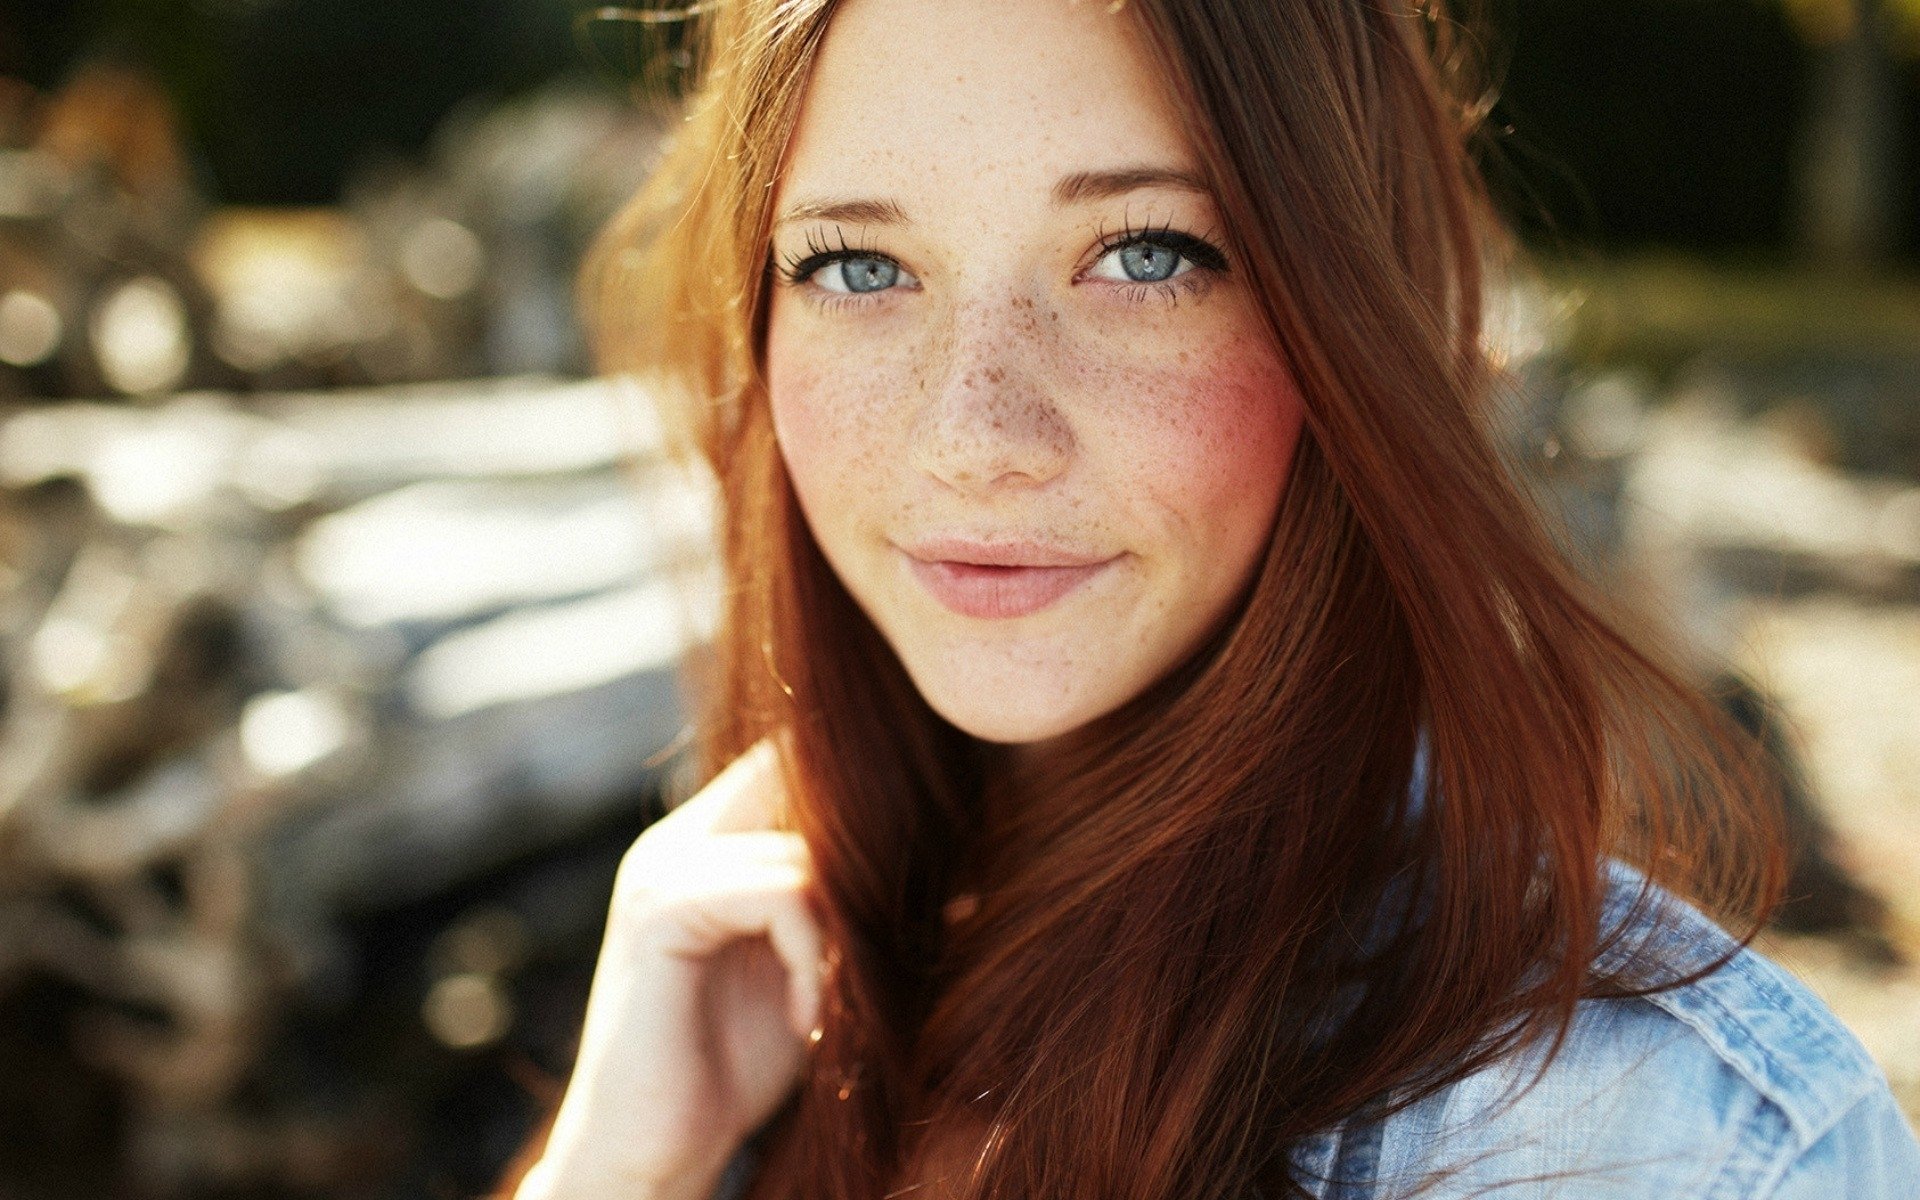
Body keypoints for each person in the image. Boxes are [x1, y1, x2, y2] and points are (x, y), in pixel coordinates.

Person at [507, 1, 1920, 1197]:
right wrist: (618, 1160)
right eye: (858, 266)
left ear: (1351, 309)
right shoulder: (755, 1004)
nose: (974, 434)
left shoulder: (1648, 1149)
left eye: (1145, 255)